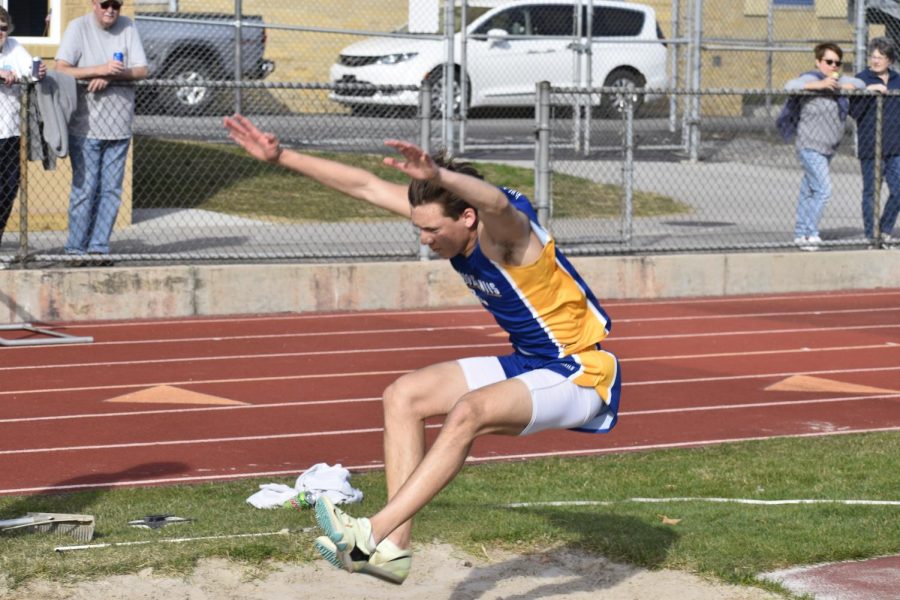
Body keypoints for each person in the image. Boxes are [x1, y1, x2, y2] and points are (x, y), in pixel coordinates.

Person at [223, 114, 622, 585]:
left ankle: (371, 531)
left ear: (467, 217)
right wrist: (280, 156)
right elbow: (367, 186)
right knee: (403, 395)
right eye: (420, 229)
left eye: (432, 230)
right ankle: (392, 551)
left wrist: (439, 176)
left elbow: (496, 200)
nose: (424, 239)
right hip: (531, 361)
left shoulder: (508, 239)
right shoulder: (449, 220)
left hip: (580, 372)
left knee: (468, 411)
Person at [55, 0, 147, 261]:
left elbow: (141, 69)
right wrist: (99, 69)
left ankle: (98, 247)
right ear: (94, 4)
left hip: (119, 127)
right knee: (85, 190)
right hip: (85, 126)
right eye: (105, 4)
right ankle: (75, 249)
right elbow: (61, 68)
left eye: (116, 5)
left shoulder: (128, 27)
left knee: (111, 191)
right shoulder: (78, 27)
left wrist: (111, 77)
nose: (111, 10)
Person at [780, 43, 864, 251]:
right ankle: (810, 233)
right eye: (828, 62)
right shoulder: (811, 78)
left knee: (809, 191)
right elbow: (789, 86)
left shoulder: (839, 80)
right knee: (824, 190)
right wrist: (819, 85)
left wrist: (842, 86)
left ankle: (801, 233)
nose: (833, 66)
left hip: (828, 148)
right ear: (818, 62)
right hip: (809, 146)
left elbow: (860, 83)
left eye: (837, 63)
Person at [0, 7, 46, 253]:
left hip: (11, 132)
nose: (0, 33)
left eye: (3, 28)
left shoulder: (14, 46)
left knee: (8, 189)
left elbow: (31, 70)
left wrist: (38, 72)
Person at [849, 37, 900, 247]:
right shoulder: (862, 79)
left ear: (890, 60)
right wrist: (867, 92)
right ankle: (872, 235)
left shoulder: (898, 79)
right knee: (871, 192)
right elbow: (854, 111)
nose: (876, 60)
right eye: (873, 56)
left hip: (896, 146)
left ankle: (885, 230)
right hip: (871, 147)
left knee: (898, 190)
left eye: (881, 57)